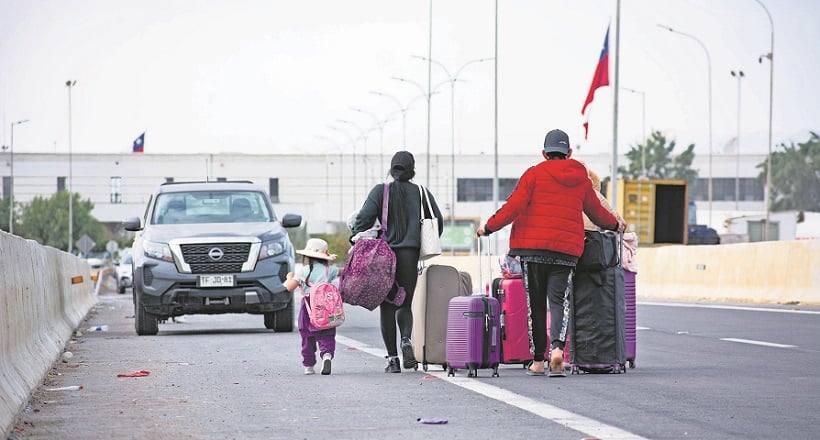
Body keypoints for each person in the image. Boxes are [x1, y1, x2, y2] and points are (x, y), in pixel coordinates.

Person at [476, 129, 626, 377]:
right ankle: (557, 349)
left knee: (535, 305)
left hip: (532, 250)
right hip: (565, 252)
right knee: (558, 302)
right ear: (569, 153)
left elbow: (513, 207)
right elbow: (596, 211)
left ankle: (537, 361)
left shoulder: (533, 174)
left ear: (544, 153)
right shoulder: (581, 179)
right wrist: (615, 225)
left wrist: (488, 227)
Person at [349, 150, 444, 373]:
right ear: (412, 170)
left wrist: (356, 232)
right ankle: (406, 339)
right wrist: (419, 241)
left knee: (387, 307)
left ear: (391, 169)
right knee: (404, 304)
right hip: (410, 255)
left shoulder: (380, 191)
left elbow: (363, 219)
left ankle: (393, 360)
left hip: (384, 256)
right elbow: (438, 222)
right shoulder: (421, 192)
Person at [283, 238, 341, 375]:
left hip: (309, 307)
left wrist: (289, 277)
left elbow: (289, 287)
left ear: (306, 257)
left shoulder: (302, 271)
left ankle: (309, 365)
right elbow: (345, 271)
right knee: (327, 333)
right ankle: (327, 355)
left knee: (307, 335)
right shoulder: (329, 270)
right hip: (326, 307)